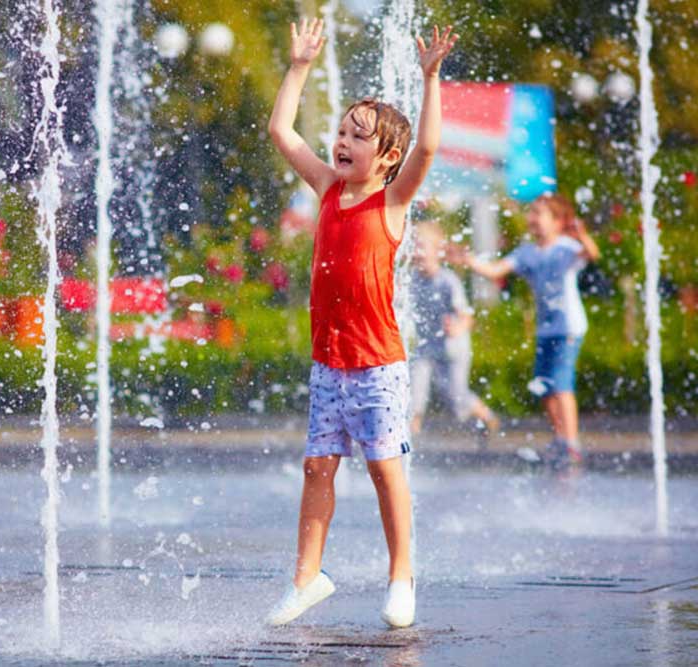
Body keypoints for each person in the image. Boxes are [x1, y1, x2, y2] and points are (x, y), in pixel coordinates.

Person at [265, 18, 457, 629]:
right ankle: (307, 578)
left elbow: (428, 149)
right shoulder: (325, 187)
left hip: (377, 362)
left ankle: (402, 577)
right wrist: (298, 67)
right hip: (329, 362)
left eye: (359, 136)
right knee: (318, 466)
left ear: (388, 157)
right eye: (342, 131)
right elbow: (280, 130)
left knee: (383, 468)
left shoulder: (391, 202)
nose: (343, 142)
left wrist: (430, 80)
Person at [454, 193, 600, 468]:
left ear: (557, 221)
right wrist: (470, 261)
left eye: (539, 213)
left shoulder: (567, 247)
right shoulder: (527, 252)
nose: (532, 218)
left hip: (568, 327)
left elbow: (592, 255)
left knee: (562, 384)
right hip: (546, 329)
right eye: (531, 212)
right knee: (545, 387)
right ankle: (559, 438)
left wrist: (583, 236)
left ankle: (571, 442)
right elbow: (497, 270)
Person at [409, 221, 498, 439]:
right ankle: (405, 445)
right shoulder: (411, 280)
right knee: (413, 396)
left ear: (438, 251)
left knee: (456, 398)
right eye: (413, 246)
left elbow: (467, 316)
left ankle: (487, 417)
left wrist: (458, 326)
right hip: (425, 347)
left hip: (453, 348)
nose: (416, 252)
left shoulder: (448, 281)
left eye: (422, 247)